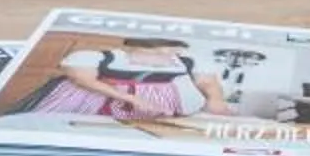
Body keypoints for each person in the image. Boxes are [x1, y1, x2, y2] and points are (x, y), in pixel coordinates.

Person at [32, 38, 229, 124]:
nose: (172, 53)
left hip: (156, 97)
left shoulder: (184, 61)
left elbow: (207, 82)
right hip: (95, 96)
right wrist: (131, 99)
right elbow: (83, 79)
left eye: (174, 49)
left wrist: (215, 100)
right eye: (166, 49)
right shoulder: (99, 57)